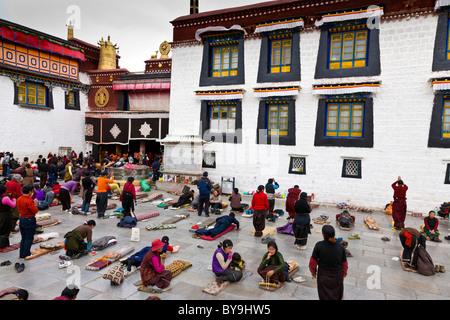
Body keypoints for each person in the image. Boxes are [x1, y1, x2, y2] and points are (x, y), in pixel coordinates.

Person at [309, 225, 348, 300]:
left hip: (323, 276)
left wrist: (313, 272)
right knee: (337, 295)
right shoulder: (340, 247)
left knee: (324, 296)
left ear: (323, 234)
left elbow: (312, 262)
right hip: (337, 276)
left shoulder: (319, 245)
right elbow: (345, 264)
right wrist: (343, 275)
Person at [16, 184, 39, 272]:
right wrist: (35, 204)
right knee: (29, 238)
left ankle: (22, 253)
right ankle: (26, 254)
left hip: (22, 219)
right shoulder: (29, 200)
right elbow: (35, 210)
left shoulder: (19, 199)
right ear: (30, 191)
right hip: (29, 219)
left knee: (24, 237)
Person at [0, 184, 16, 249]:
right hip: (5, 215)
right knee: (5, 229)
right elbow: (13, 205)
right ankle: (3, 245)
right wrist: (14, 198)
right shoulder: (5, 198)